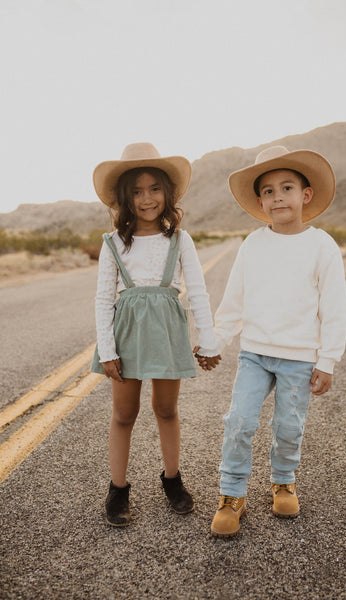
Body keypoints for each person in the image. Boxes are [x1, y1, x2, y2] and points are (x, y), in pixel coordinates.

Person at [197, 145, 346, 537]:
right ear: (260, 201)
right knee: (240, 421)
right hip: (255, 355)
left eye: (287, 187)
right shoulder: (253, 244)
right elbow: (234, 302)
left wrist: (327, 360)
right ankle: (232, 495)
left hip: (299, 358)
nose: (277, 196)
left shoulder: (321, 245)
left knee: (288, 426)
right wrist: (216, 342)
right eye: (268, 190)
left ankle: (283, 480)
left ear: (305, 195)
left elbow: (334, 308)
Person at [91, 142, 221, 527]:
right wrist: (107, 348)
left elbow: (197, 292)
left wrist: (209, 340)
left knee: (166, 409)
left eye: (154, 189)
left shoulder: (180, 240)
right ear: (123, 198)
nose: (146, 199)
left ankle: (172, 479)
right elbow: (102, 300)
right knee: (124, 413)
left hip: (167, 332)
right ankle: (118, 489)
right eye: (136, 191)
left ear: (168, 193)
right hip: (126, 334)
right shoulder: (112, 244)